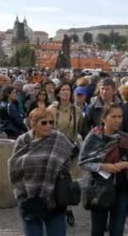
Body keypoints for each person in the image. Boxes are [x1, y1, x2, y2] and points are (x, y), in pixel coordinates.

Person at [8, 107, 74, 236]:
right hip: (29, 197)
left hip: (54, 197)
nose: (48, 126)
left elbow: (68, 160)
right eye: (44, 122)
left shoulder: (59, 138)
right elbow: (14, 166)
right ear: (33, 123)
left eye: (51, 122)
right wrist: (22, 192)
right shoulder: (23, 140)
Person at [79, 103, 128, 236]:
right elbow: (83, 161)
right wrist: (103, 166)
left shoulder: (125, 138)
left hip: (122, 187)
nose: (118, 120)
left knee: (117, 229)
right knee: (98, 229)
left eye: (120, 116)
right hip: (99, 187)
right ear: (104, 118)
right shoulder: (94, 136)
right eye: (113, 116)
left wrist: (126, 165)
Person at [47, 82, 84, 227]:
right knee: (55, 180)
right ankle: (56, 209)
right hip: (55, 149)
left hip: (71, 150)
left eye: (68, 89)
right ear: (58, 92)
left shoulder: (77, 110)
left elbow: (80, 129)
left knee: (68, 181)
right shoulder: (51, 109)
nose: (66, 92)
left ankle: (67, 209)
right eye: (63, 89)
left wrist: (75, 145)